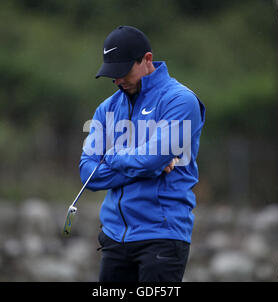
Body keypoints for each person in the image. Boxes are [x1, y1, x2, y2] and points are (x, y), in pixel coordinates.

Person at [79, 25, 205, 282]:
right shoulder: (107, 108)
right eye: (112, 74)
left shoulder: (181, 101)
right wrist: (148, 165)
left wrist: (112, 156)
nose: (117, 81)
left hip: (162, 238)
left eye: (123, 71)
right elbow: (88, 174)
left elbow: (151, 160)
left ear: (147, 59)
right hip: (114, 237)